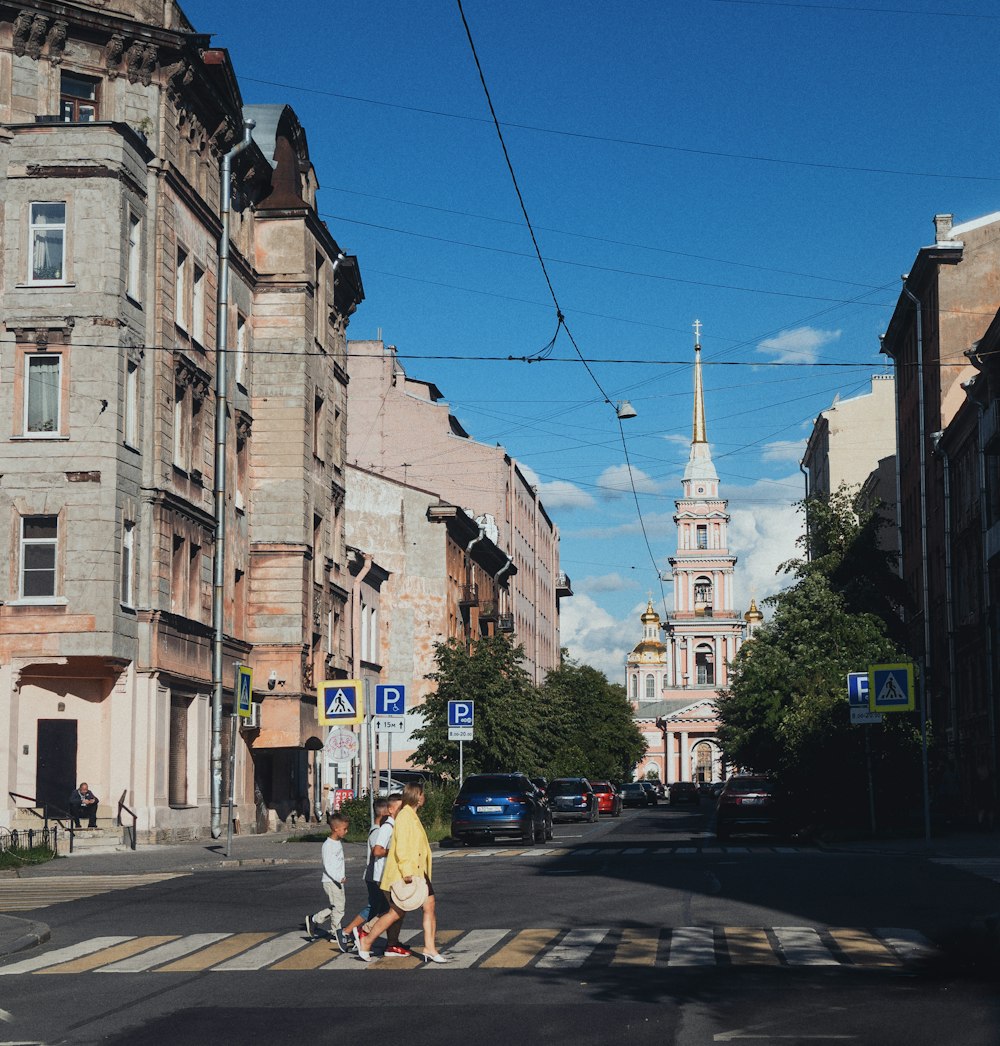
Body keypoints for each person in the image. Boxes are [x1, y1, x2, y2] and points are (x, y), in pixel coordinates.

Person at [356, 781, 448, 963]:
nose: (424, 797)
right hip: (405, 873)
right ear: (416, 796)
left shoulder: (411, 815)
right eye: (422, 794)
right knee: (395, 912)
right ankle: (366, 941)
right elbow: (402, 848)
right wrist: (407, 871)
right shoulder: (405, 817)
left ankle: (429, 947)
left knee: (429, 906)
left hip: (418, 872)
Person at [344, 793, 409, 956]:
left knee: (395, 910)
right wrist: (394, 851)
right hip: (383, 875)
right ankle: (364, 933)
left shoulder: (396, 826)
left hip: (392, 874)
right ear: (391, 810)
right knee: (394, 910)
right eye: (400, 808)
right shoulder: (387, 827)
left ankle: (391, 943)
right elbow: (377, 850)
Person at [305, 811, 353, 952]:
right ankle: (334, 933)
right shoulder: (328, 845)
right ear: (335, 829)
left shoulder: (337, 842)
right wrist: (338, 877)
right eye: (344, 829)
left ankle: (315, 919)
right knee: (339, 908)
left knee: (336, 906)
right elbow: (328, 866)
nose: (346, 831)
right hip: (331, 881)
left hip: (337, 881)